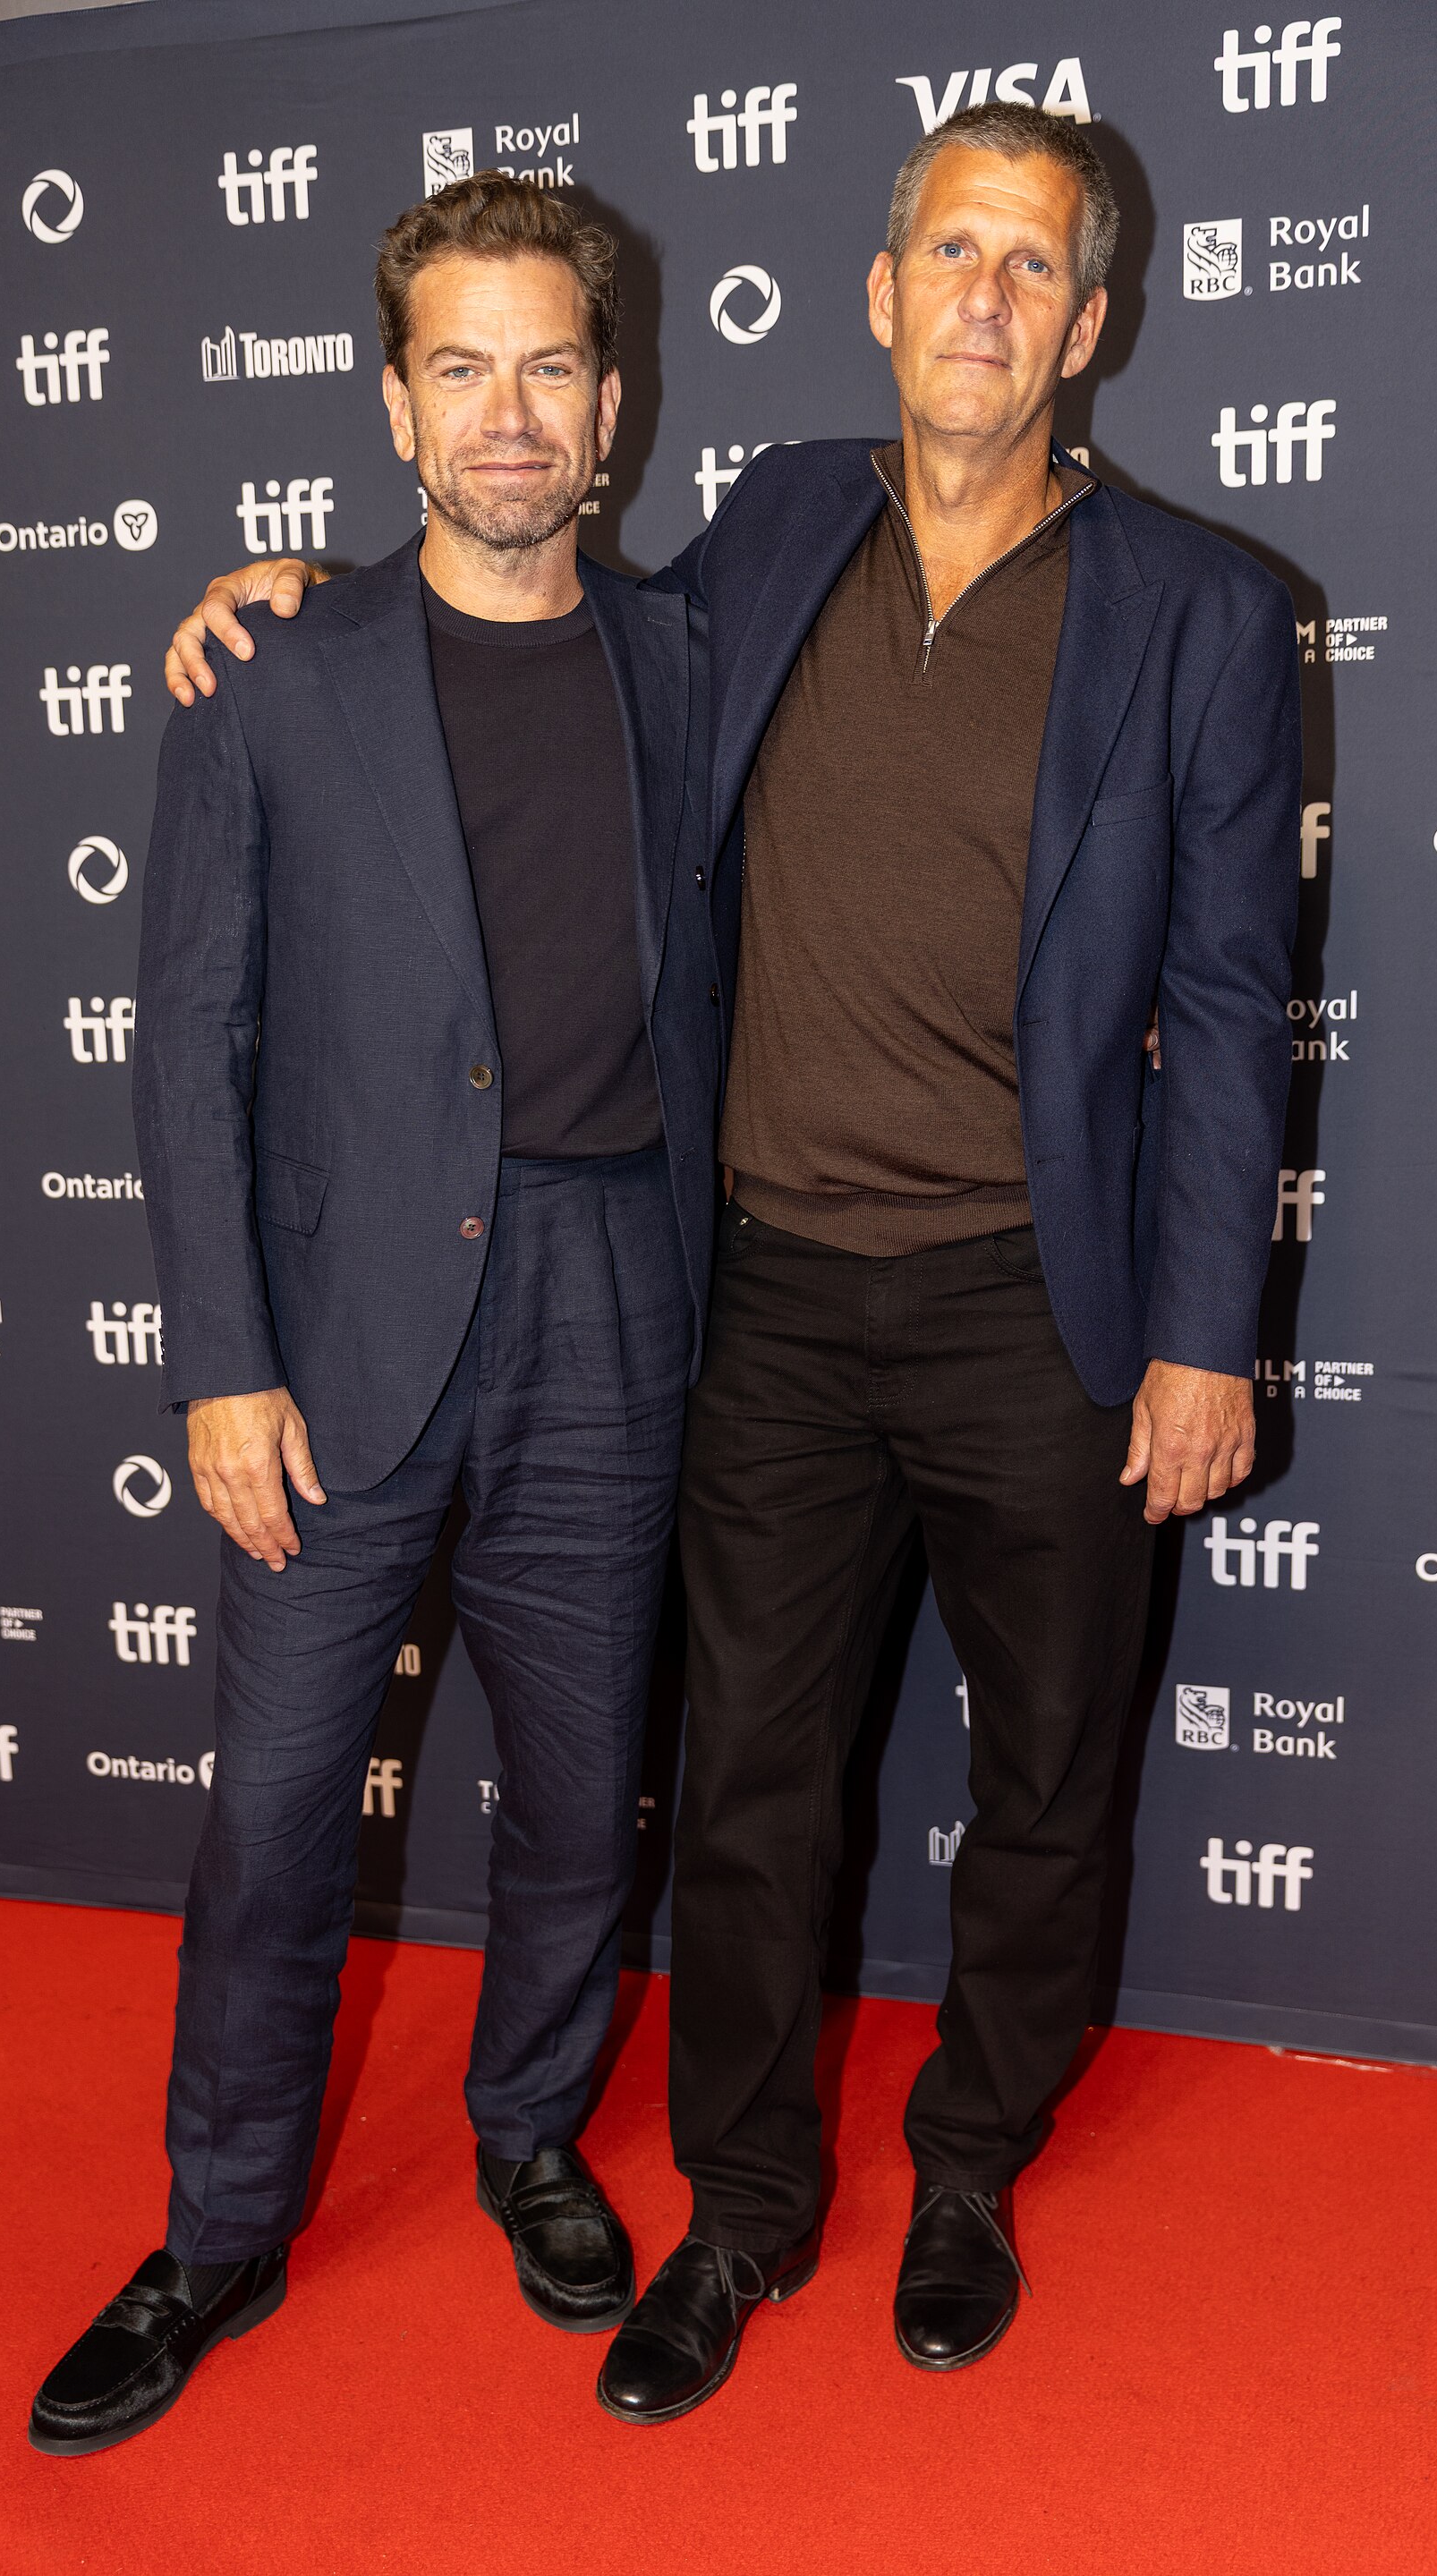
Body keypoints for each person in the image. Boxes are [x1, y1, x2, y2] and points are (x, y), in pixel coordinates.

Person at [164, 103, 1299, 2427]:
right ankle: (747, 2206)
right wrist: (269, 590)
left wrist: (1205, 1332)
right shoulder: (776, 524)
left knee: (1051, 1771)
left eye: (1032, 266)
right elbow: (501, 623)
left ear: (1090, 325)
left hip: (1043, 1308)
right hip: (763, 1306)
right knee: (756, 1784)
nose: (981, 297)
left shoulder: (1202, 608)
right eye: (945, 252)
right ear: (877, 296)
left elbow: (1237, 994)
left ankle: (970, 2163)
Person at [29, 174, 721, 2457]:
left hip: (613, 1289)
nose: (506, 414)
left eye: (548, 366)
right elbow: (185, 1032)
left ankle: (530, 2128)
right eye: (460, 366)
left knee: (574, 1796)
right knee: (276, 1810)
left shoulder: (689, 664)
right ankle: (219, 2229)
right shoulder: (273, 669)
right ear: (393, 399)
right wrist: (220, 1356)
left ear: (610, 404)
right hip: (329, 1330)